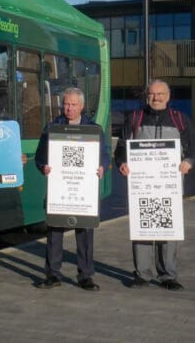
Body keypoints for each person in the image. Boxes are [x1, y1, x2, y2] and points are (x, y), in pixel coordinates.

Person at [115, 79, 194, 291]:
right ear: (146, 96)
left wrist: (189, 162)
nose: (156, 97)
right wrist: (122, 163)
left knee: (168, 227)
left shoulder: (181, 120)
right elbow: (121, 149)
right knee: (143, 227)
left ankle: (168, 275)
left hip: (170, 185)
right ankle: (142, 274)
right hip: (142, 186)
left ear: (168, 97)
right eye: (152, 94)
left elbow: (193, 150)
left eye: (160, 94)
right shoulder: (135, 118)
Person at [34, 87, 109, 291]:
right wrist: (44, 166)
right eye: (66, 104)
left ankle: (85, 276)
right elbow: (40, 157)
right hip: (60, 188)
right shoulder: (52, 128)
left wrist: (102, 165)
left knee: (84, 233)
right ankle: (52, 274)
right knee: (54, 232)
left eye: (73, 105)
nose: (69, 108)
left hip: (83, 189)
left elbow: (104, 154)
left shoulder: (94, 129)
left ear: (82, 106)